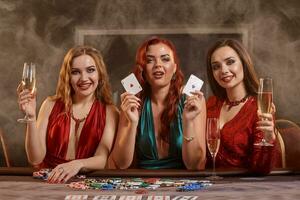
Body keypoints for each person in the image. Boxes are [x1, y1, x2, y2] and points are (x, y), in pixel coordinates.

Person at [17, 46, 118, 183]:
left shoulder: (110, 111)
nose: (84, 78)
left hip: (83, 184)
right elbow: (35, 158)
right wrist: (31, 117)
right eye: (75, 72)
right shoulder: (50, 104)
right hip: (48, 183)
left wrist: (77, 164)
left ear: (100, 74)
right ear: (67, 77)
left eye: (90, 70)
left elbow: (101, 158)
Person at [108, 37, 206, 170]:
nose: (158, 65)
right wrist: (133, 123)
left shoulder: (190, 99)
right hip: (143, 185)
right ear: (142, 69)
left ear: (175, 68)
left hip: (182, 184)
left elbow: (195, 165)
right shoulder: (133, 100)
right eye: (149, 60)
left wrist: (188, 121)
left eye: (165, 59)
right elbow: (121, 164)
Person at [206, 39, 277, 175]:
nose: (223, 70)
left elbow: (260, 169)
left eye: (230, 62)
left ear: (244, 64)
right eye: (216, 66)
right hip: (209, 183)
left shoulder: (259, 108)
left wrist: (269, 138)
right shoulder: (210, 104)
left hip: (244, 187)